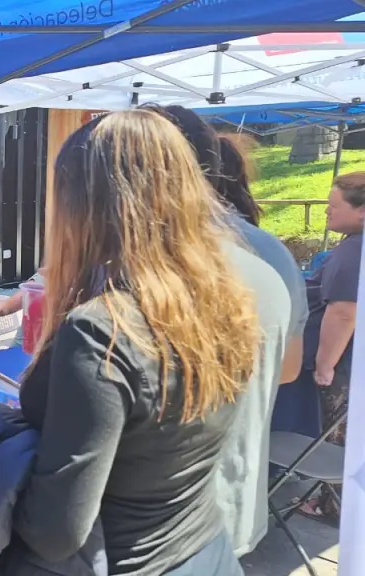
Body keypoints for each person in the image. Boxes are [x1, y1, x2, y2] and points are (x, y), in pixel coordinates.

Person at [15, 110, 273, 575]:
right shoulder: (224, 299)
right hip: (208, 552)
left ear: (83, 205)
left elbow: (57, 532)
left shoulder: (101, 331)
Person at [142, 104, 306, 557]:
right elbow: (287, 369)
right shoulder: (271, 254)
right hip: (233, 499)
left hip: (157, 523)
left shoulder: (148, 261)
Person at [280, 171, 365, 523]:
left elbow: (344, 312)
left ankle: (336, 508)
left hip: (341, 365)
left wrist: (325, 364)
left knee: (337, 437)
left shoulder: (352, 251)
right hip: (349, 360)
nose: (327, 212)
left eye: (333, 206)